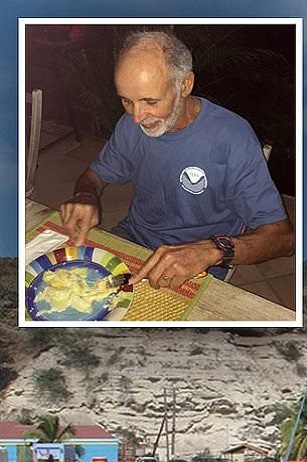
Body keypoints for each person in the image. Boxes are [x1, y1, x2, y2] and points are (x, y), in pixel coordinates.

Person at [57, 30, 292, 292]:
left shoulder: (231, 137)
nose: (137, 117)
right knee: (70, 289)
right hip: (134, 237)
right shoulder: (130, 125)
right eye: (127, 101)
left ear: (184, 85)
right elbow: (95, 176)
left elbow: (283, 239)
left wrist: (212, 251)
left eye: (150, 101)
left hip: (198, 261)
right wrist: (85, 195)